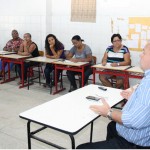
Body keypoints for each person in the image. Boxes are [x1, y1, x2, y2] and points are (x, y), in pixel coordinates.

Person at [77, 43, 150, 149]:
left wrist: (108, 112)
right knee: (112, 126)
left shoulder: (148, 85)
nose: (140, 55)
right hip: (138, 132)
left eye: (144, 52)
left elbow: (134, 121)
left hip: (137, 142)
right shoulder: (147, 78)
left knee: (81, 148)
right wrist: (135, 97)